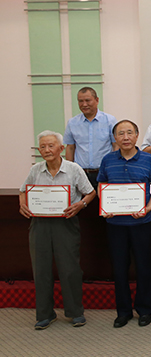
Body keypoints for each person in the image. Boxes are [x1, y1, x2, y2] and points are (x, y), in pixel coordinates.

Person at [19, 131, 95, 330]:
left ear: (61, 148)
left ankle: (75, 312)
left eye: (51, 146)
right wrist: (22, 205)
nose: (46, 150)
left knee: (69, 269)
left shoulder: (73, 169)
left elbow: (90, 192)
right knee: (41, 269)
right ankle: (45, 314)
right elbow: (23, 190)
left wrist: (80, 205)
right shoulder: (35, 170)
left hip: (66, 223)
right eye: (43, 146)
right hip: (40, 224)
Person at [97, 120, 151, 328]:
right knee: (119, 269)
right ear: (115, 137)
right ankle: (123, 312)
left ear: (136, 135)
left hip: (141, 222)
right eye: (120, 133)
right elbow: (101, 184)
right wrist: (105, 204)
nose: (125, 137)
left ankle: (144, 310)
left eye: (129, 133)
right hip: (115, 224)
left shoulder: (148, 159)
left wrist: (148, 208)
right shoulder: (107, 160)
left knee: (143, 267)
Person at [64, 86, 117, 188]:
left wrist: (113, 167)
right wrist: (69, 171)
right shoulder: (72, 123)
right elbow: (70, 148)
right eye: (80, 101)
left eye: (88, 100)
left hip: (104, 172)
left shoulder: (110, 120)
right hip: (81, 173)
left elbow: (116, 145)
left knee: (104, 198)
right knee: (83, 199)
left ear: (97, 100)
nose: (84, 104)